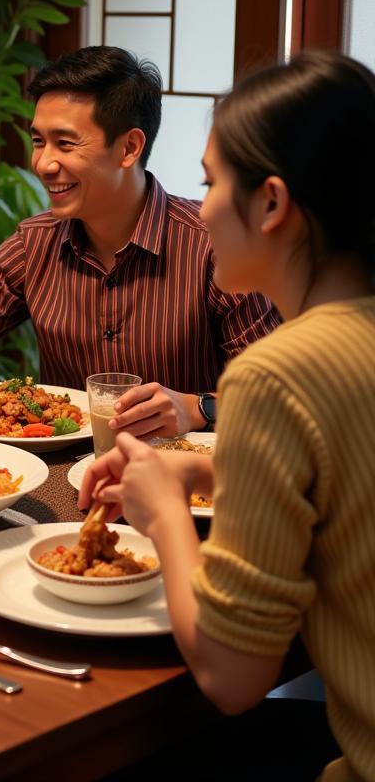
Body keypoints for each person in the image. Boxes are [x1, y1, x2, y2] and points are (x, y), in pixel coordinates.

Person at [79, 51, 375, 782]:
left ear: (271, 204)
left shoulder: (279, 372)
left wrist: (164, 512)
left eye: (212, 182)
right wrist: (211, 467)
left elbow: (234, 678)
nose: (200, 206)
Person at [0, 46, 279, 436]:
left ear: (128, 148)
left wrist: (196, 408)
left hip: (187, 474)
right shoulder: (36, 241)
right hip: (61, 475)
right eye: (38, 141)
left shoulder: (210, 247)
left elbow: (274, 393)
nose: (44, 163)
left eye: (65, 144)